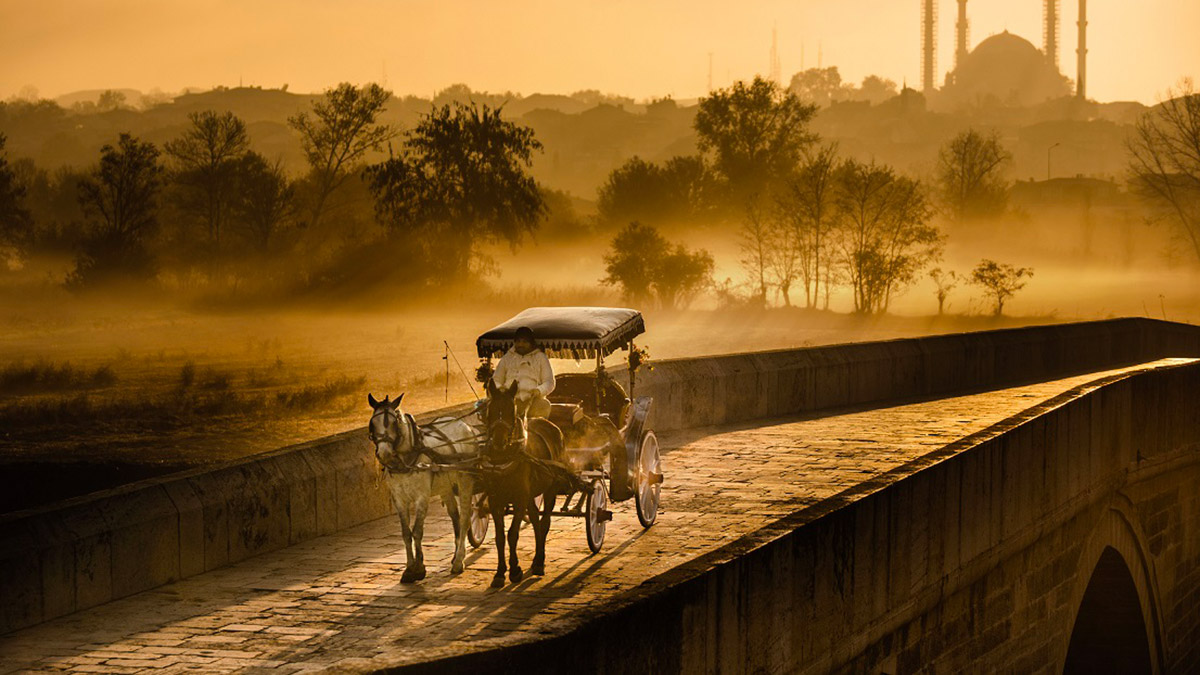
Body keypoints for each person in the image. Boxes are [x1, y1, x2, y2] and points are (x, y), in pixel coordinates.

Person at [492, 326, 554, 418]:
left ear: (531, 343)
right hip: (509, 401)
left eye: (525, 342)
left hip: (533, 401)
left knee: (544, 405)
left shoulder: (540, 357)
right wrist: (500, 388)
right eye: (518, 341)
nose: (521, 344)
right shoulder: (507, 358)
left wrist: (539, 390)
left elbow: (549, 382)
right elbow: (496, 379)